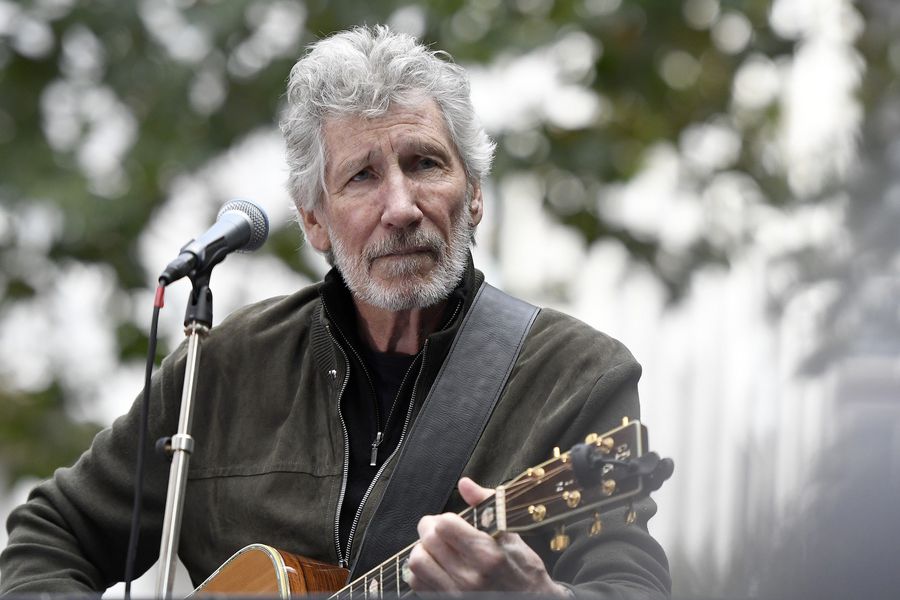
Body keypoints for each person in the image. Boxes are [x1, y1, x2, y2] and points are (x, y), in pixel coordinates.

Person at [0, 25, 670, 598]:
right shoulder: (225, 367)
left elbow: (630, 585)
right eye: (362, 176)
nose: (401, 207)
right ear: (315, 220)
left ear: (472, 195)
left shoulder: (578, 376)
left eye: (425, 164)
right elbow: (49, 535)